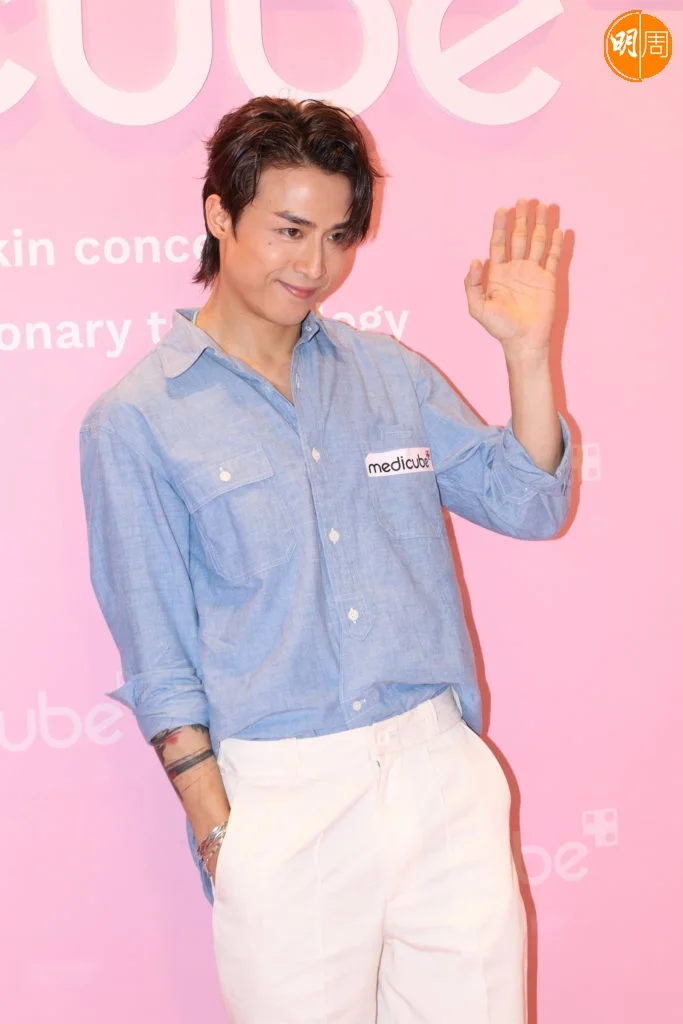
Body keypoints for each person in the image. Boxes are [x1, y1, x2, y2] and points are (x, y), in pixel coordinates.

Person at [79, 95, 572, 1023]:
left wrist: (527, 354)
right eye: (289, 230)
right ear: (219, 213)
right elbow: (158, 657)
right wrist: (221, 830)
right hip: (283, 797)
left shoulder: (388, 375)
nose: (314, 266)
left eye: (338, 237)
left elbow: (527, 502)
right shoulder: (136, 421)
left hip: (437, 773)